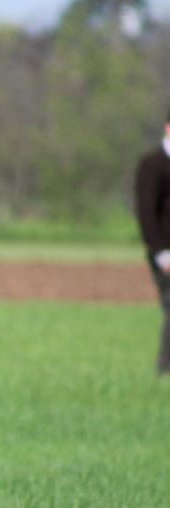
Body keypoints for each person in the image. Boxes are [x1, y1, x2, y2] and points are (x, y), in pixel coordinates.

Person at [134, 109, 170, 375]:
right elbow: (146, 213)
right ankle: (165, 368)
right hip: (165, 253)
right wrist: (161, 253)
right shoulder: (153, 164)